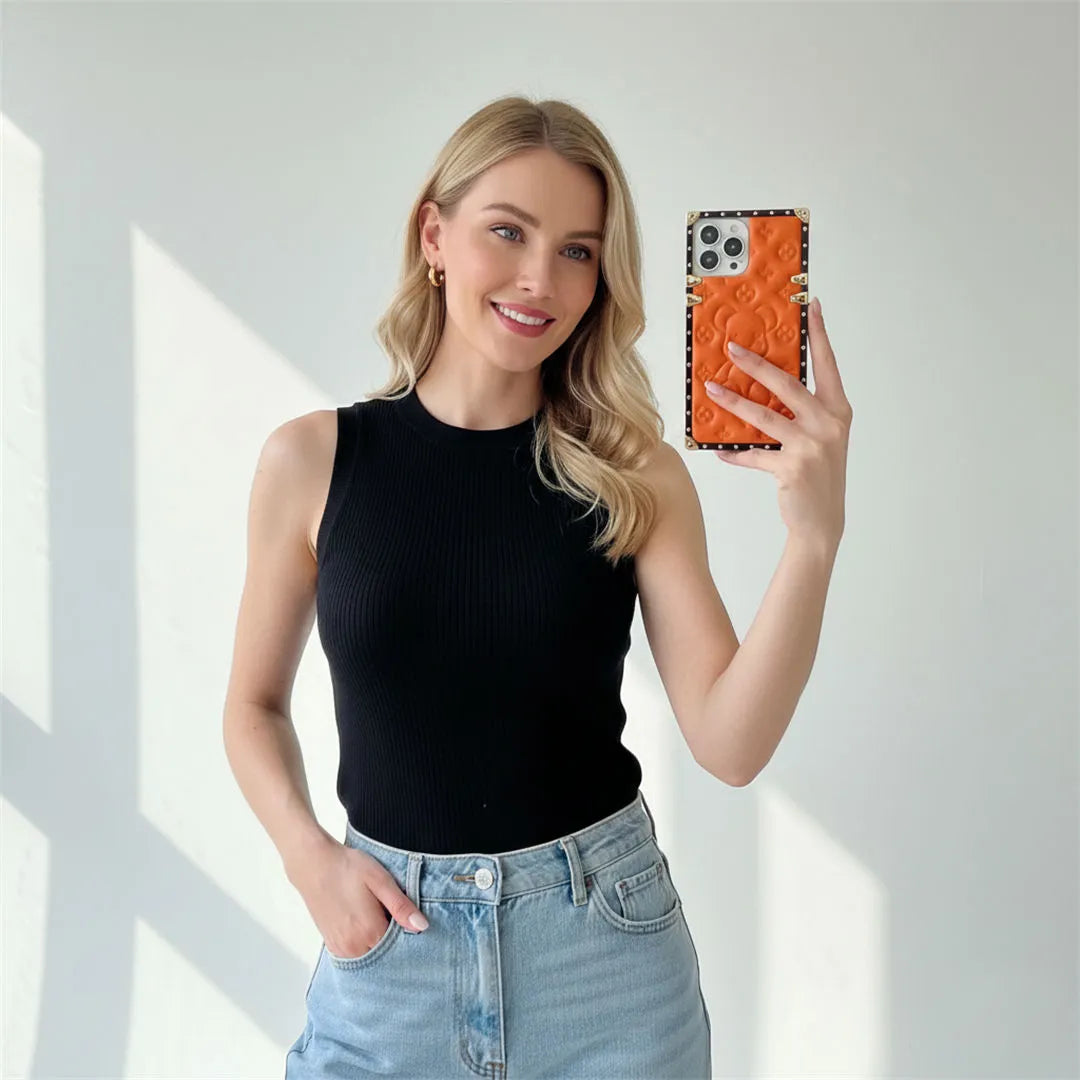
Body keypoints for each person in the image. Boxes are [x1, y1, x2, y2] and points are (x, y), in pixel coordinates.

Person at [223, 94, 731, 1078]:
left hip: (604, 958)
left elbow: (731, 739)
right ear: (434, 236)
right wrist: (307, 856)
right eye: (509, 231)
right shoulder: (312, 461)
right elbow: (250, 706)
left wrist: (814, 530)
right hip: (389, 954)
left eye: (580, 250)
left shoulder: (635, 474)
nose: (541, 278)